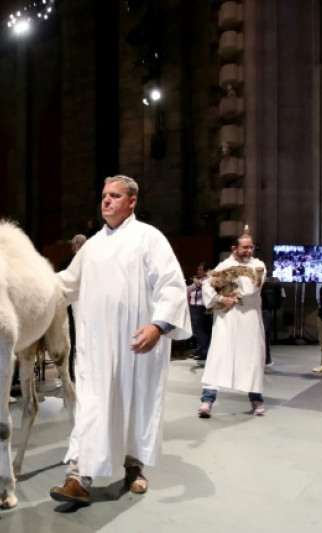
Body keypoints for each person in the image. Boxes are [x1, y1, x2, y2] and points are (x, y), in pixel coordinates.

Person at [50, 175, 191, 507]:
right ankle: (77, 476)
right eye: (103, 195)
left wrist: (158, 326)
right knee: (92, 406)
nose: (106, 201)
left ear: (132, 201)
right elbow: (66, 284)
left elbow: (171, 284)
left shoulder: (148, 238)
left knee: (134, 404)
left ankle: (134, 467)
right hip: (97, 348)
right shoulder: (91, 248)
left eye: (114, 195)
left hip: (136, 343)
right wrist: (27, 282)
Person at [197, 234, 268, 418]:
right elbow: (207, 285)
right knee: (218, 357)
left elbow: (251, 287)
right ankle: (207, 401)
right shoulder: (224, 266)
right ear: (234, 248)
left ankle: (256, 399)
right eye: (245, 247)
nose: (249, 251)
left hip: (249, 321)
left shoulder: (258, 266)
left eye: (251, 247)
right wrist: (221, 298)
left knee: (252, 360)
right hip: (227, 320)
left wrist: (227, 282)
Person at [58, 234, 87, 382]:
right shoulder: (91, 263)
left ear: (73, 247)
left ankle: (68, 373)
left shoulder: (65, 263)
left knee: (70, 341)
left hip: (68, 308)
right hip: (86, 306)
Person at [187, 262, 213, 366]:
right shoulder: (198, 281)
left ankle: (205, 351)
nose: (198, 272)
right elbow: (189, 289)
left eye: (200, 270)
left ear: (206, 271)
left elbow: (209, 292)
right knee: (196, 330)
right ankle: (199, 348)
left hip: (202, 307)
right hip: (194, 307)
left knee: (203, 330)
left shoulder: (209, 281)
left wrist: (200, 286)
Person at [260, 275, 285, 367]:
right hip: (266, 310)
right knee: (264, 334)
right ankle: (267, 359)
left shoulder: (265, 283)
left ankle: (266, 359)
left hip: (263, 310)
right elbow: (282, 297)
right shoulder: (273, 282)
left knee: (263, 334)